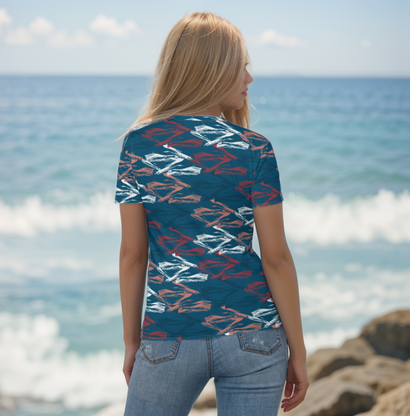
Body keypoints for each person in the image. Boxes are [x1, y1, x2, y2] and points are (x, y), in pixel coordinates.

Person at [115, 11, 309, 416]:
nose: (249, 78)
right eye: (242, 67)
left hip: (169, 335)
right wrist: (299, 350)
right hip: (255, 337)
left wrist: (132, 342)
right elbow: (276, 258)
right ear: (212, 70)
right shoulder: (255, 149)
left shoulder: (138, 145)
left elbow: (133, 255)